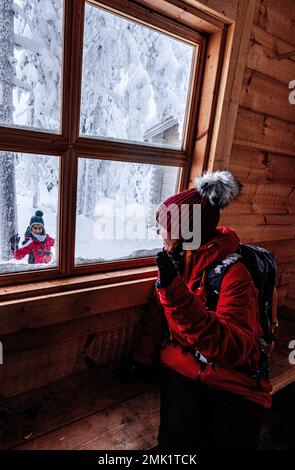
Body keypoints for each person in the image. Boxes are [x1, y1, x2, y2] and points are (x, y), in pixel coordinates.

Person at [125, 169, 272, 450]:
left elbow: (231, 348)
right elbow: (158, 318)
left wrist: (176, 293)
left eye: (165, 225)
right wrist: (140, 361)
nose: (159, 231)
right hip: (183, 367)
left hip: (234, 383)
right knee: (173, 444)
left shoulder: (232, 274)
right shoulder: (176, 261)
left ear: (186, 232)